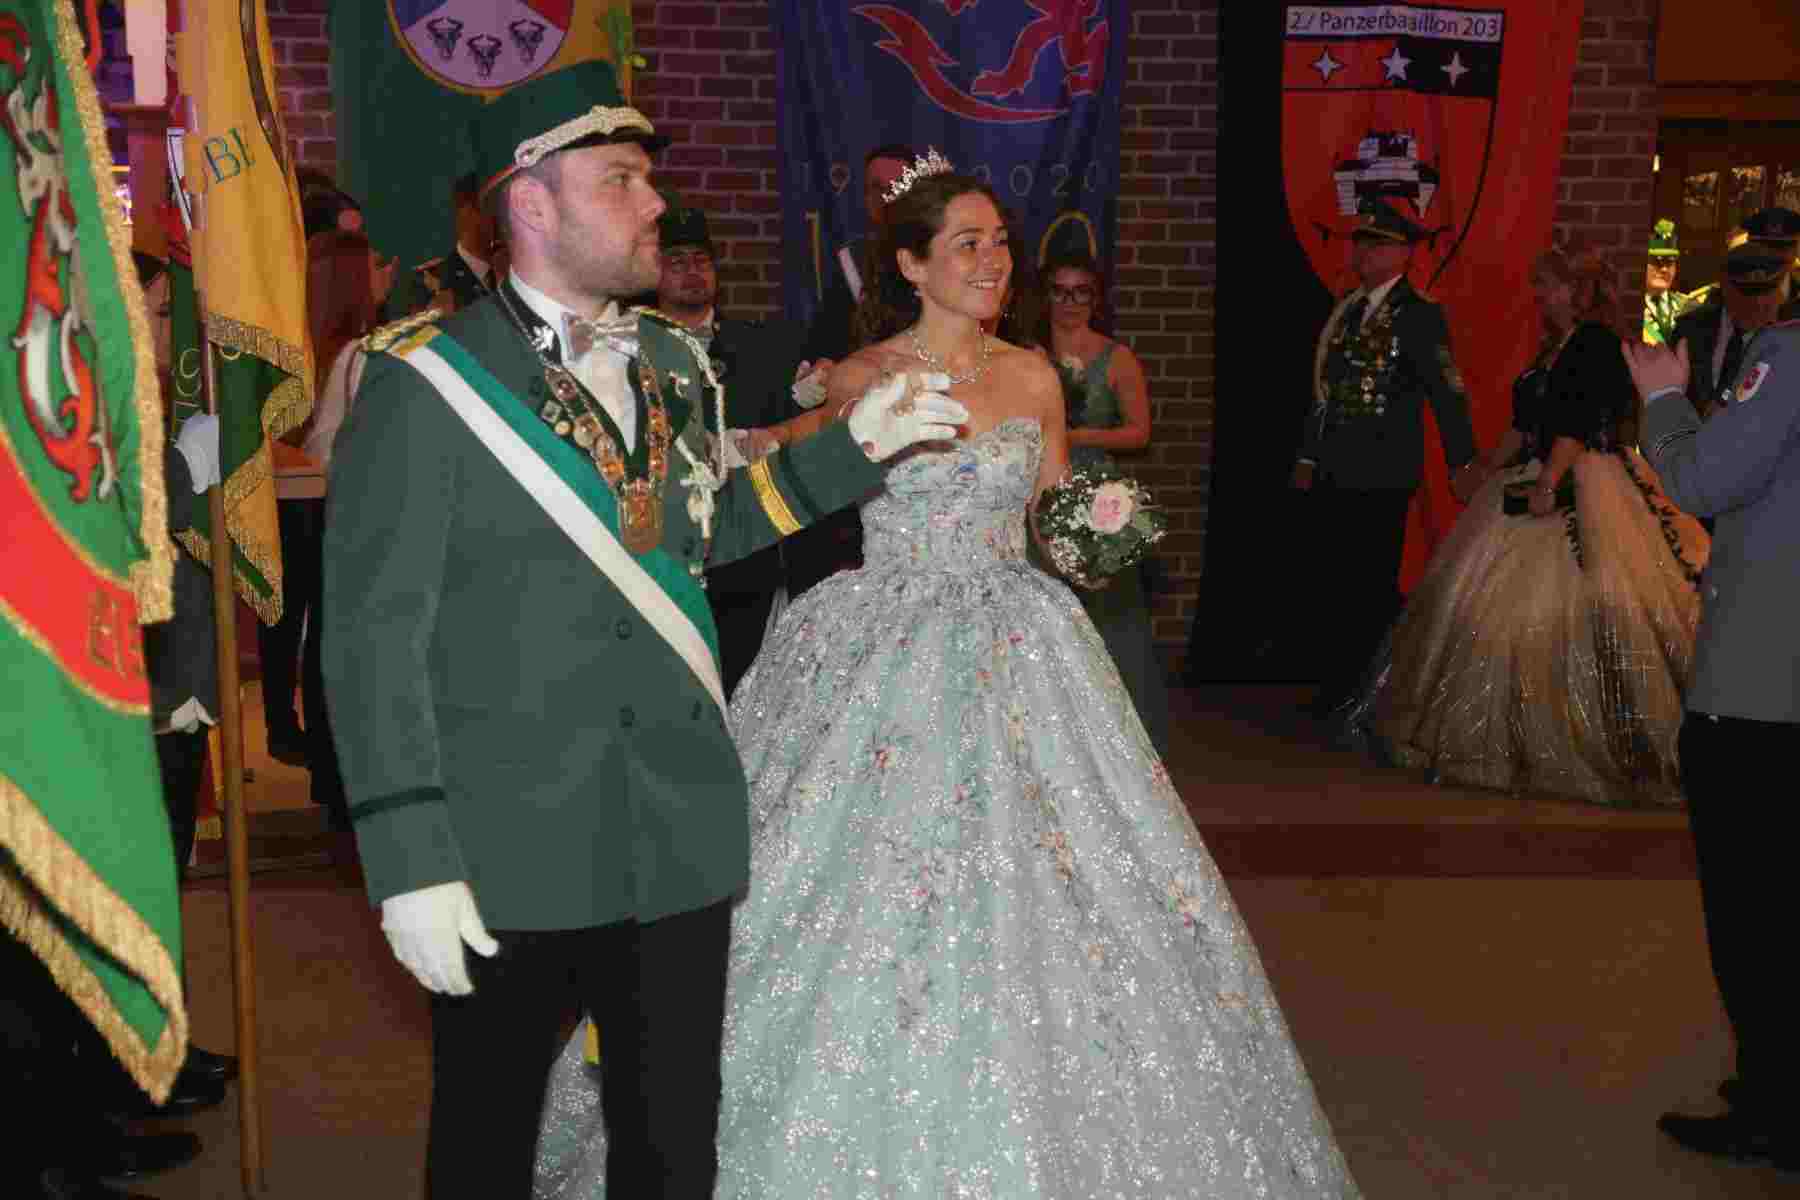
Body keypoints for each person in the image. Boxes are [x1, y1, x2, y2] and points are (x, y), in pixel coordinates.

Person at [535, 160, 1359, 1199]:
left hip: (1021, 639)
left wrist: (1099, 532)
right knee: (827, 868)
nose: (995, 261)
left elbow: (1054, 516)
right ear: (912, 265)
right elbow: (776, 474)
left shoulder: (1033, 376)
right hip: (884, 637)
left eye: (1001, 241)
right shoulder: (861, 377)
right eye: (968, 243)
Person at [321, 60, 966, 1199]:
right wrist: (408, 856)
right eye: (619, 179)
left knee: (672, 1150)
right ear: (532, 201)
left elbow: (701, 538)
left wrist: (852, 449)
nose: (654, 202)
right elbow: (374, 637)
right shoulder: (426, 382)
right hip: (508, 841)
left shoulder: (673, 362)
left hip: (675, 828)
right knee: (484, 1146)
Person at [1348, 248, 1709, 806]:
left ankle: (1584, 739)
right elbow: (1526, 425)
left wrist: (1549, 481)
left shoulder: (1594, 343)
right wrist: (1485, 469)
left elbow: (1577, 421)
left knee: (1580, 599)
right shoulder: (1554, 345)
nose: (1540, 296)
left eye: (1548, 286)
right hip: (1542, 470)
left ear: (1577, 290)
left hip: (1584, 477)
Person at [1626, 314, 1800, 1171]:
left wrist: (1663, 398)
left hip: (1768, 682)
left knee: (1758, 910)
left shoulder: (1790, 352)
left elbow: (1704, 477)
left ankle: (1778, 1110)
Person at [1290, 197, 1481, 717]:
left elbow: (1446, 391)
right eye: (1362, 244)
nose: (1365, 253)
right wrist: (1309, 454)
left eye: (1377, 245)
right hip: (1336, 462)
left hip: (1384, 467)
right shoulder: (1348, 310)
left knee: (1371, 582)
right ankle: (1336, 682)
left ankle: (1366, 689)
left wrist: (1461, 461)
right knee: (1335, 577)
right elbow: (1325, 389)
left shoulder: (1418, 313)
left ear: (1404, 254)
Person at [654, 203, 805, 695]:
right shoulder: (635, 350)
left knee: (746, 689)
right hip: (668, 548)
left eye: (701, 260)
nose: (692, 271)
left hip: (749, 547)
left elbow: (792, 433)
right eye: (677, 262)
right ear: (654, 272)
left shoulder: (763, 346)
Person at [1037, 246, 1172, 756]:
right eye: (1060, 291)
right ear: (1045, 297)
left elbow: (1140, 432)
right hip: (1040, 487)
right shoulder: (1027, 355)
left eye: (1081, 292)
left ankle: (1118, 736)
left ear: (1096, 299)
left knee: (1107, 610)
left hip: (1095, 493)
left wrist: (1076, 436)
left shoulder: (1117, 358)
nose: (1070, 302)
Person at [786, 143, 917, 601]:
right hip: (863, 428)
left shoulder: (942, 264)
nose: (886, 198)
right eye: (875, 189)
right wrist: (822, 369)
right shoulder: (852, 263)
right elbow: (824, 346)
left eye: (897, 188)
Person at [1668, 207, 1800, 421]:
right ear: (1725, 286)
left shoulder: (1791, 332)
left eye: (1764, 292)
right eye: (1746, 292)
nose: (1757, 303)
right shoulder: (1691, 328)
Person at [415, 172, 500, 313]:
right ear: (468, 213)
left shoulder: (512, 271)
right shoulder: (432, 280)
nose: (502, 216)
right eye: (493, 207)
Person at [1643, 218, 1684, 345]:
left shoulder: (1686, 306)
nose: (1664, 269)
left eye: (1670, 262)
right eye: (1657, 262)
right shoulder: (1630, 307)